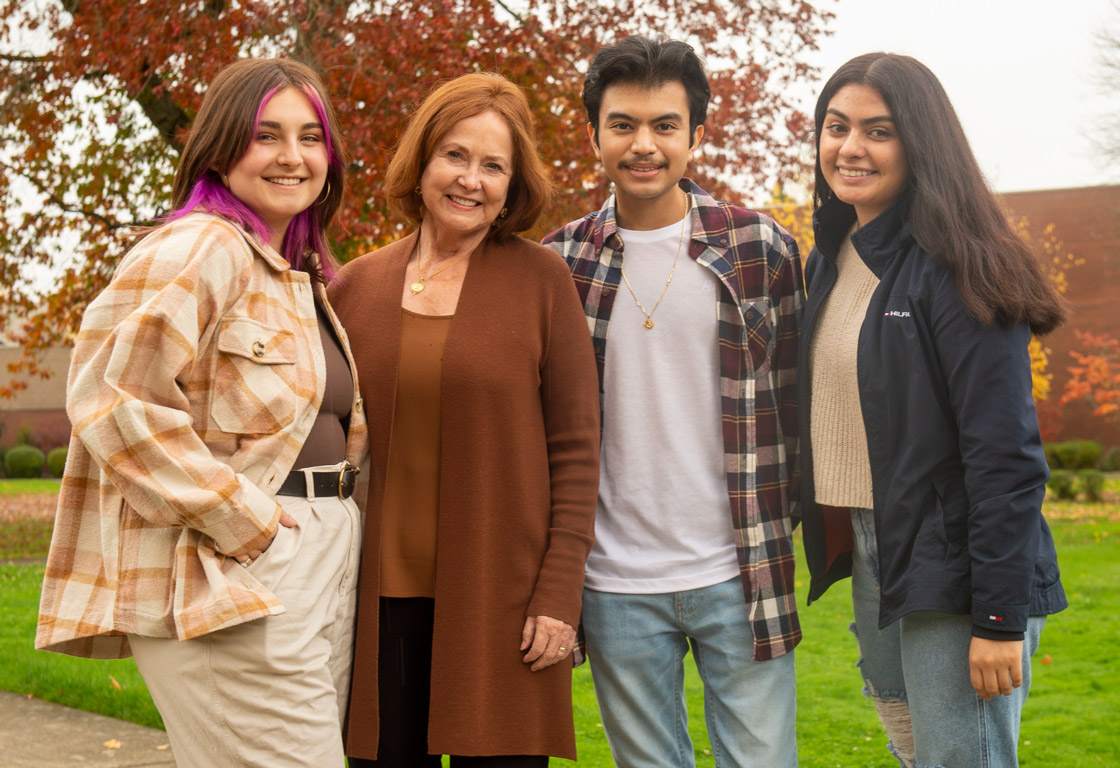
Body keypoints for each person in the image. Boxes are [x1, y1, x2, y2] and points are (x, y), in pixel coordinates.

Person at [35, 58, 367, 767]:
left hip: (320, 554)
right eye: (266, 135)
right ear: (220, 147)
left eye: (311, 138)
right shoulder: (202, 245)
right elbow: (112, 392)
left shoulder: (293, 273)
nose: (292, 156)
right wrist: (244, 518)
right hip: (234, 566)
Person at [799, 52, 1068, 768]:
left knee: (963, 759)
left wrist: (1000, 619)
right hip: (872, 546)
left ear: (921, 143)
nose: (850, 147)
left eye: (878, 131)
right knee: (914, 747)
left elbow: (1006, 460)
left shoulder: (962, 265)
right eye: (836, 126)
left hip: (955, 563)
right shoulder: (833, 255)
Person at [542, 36, 803, 768]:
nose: (643, 145)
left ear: (696, 134)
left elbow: (795, 402)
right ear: (594, 132)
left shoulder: (762, 249)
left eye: (665, 125)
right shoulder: (557, 264)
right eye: (623, 124)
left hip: (739, 568)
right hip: (616, 579)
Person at [329, 72, 600, 767]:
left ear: (514, 183)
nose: (470, 179)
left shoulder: (543, 284)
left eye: (493, 165)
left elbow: (576, 453)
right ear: (422, 160)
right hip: (374, 608)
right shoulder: (354, 288)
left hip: (502, 604)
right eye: (455, 155)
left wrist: (559, 597)